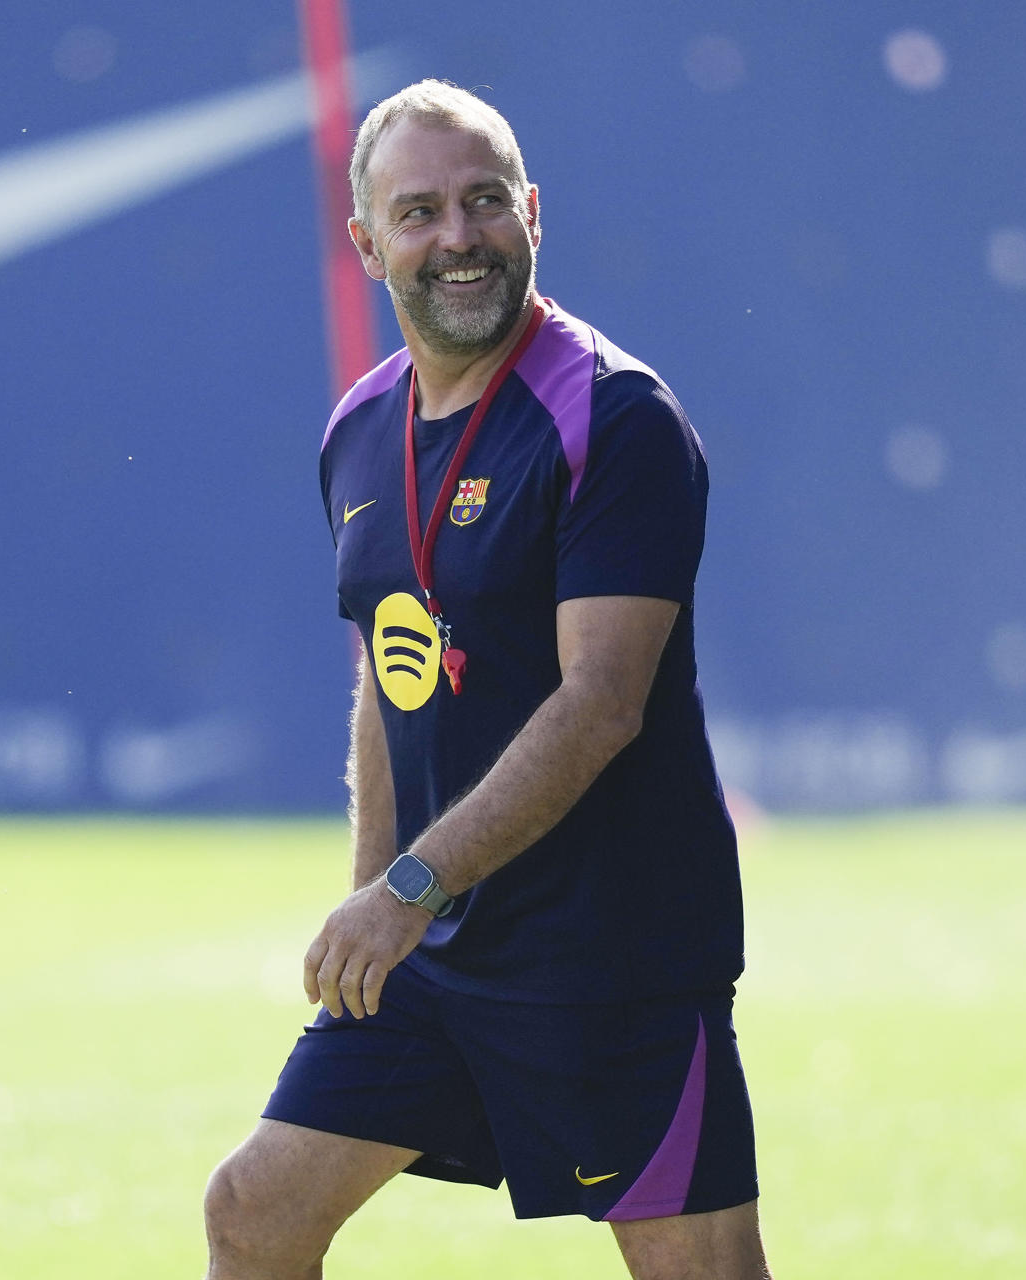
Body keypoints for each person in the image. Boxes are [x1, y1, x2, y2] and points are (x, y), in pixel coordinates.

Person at [202, 81, 770, 1279]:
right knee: (254, 1209)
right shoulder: (358, 426)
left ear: (532, 216)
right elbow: (385, 666)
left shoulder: (617, 417)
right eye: (417, 212)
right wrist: (371, 897)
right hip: (437, 949)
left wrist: (407, 884)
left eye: (483, 202)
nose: (456, 235)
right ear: (367, 244)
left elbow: (601, 702)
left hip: (610, 957)